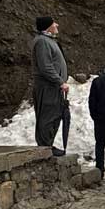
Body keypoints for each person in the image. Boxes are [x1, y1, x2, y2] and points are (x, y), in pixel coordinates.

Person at [30, 16, 68, 156]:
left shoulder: (47, 40)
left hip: (52, 86)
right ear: (47, 27)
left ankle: (47, 146)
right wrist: (60, 81)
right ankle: (44, 148)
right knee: (47, 117)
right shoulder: (42, 41)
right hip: (48, 86)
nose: (56, 25)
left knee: (54, 115)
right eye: (53, 23)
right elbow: (45, 67)